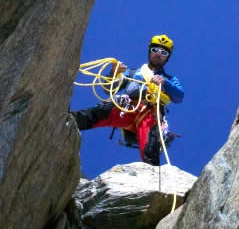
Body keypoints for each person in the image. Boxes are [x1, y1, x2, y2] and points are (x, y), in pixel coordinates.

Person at [72, 34, 184, 165]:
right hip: (127, 106)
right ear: (149, 52)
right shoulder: (132, 73)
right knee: (100, 112)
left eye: (164, 52)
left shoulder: (169, 79)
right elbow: (108, 88)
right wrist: (114, 73)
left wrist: (165, 83)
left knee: (150, 147)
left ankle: (151, 175)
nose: (158, 54)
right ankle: (69, 119)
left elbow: (178, 96)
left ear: (167, 58)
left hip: (150, 113)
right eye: (155, 50)